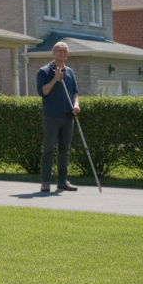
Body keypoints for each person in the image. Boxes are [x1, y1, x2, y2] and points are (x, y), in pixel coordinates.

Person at [36, 41, 81, 193]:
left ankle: (62, 181)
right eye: (59, 51)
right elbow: (43, 92)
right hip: (51, 117)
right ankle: (45, 182)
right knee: (48, 149)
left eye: (65, 52)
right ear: (53, 53)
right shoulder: (44, 72)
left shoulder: (70, 72)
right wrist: (55, 79)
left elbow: (75, 93)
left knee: (64, 150)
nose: (62, 54)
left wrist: (76, 105)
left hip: (68, 117)